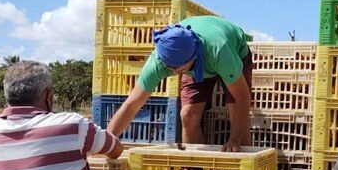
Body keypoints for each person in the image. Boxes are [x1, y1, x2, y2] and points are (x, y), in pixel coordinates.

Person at [107, 15, 253, 152]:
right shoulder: (159, 61)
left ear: (194, 56)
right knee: (188, 115)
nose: (174, 73)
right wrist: (105, 142)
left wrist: (234, 140)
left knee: (237, 117)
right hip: (196, 64)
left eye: (179, 69)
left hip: (233, 52)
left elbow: (242, 97)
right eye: (169, 68)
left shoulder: (218, 50)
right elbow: (132, 104)